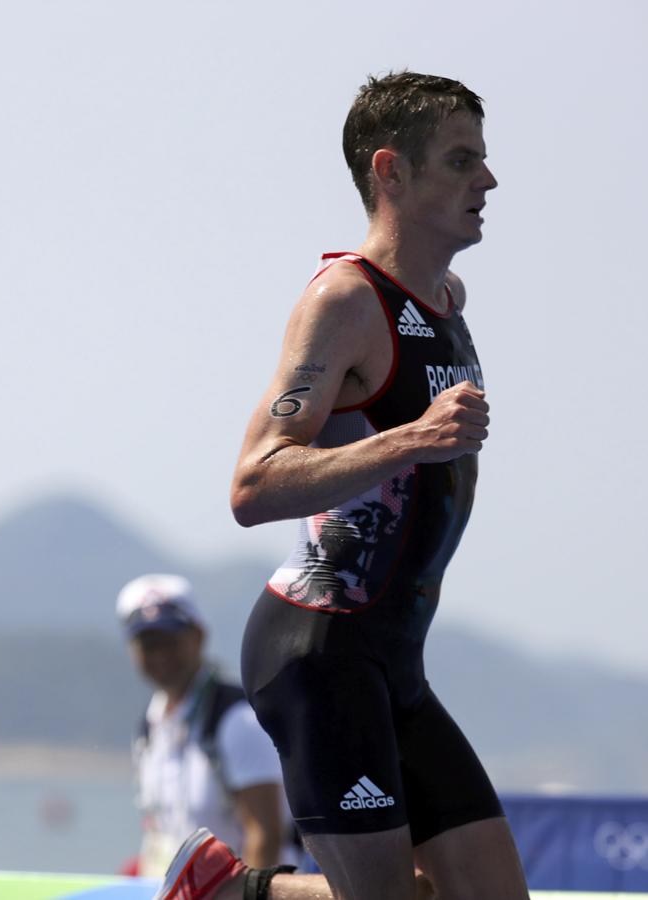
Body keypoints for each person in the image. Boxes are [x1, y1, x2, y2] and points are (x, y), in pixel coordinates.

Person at [152, 72, 527, 900]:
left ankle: (222, 886)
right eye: (463, 161)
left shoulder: (443, 300)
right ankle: (230, 892)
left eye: (485, 160)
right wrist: (412, 439)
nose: (489, 181)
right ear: (390, 170)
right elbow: (253, 484)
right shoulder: (343, 302)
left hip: (396, 660)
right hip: (319, 652)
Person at [118, 574, 292, 875]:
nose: (159, 653)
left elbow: (266, 836)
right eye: (147, 642)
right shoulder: (150, 727)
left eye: (169, 639)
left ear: (199, 636)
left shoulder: (238, 721)